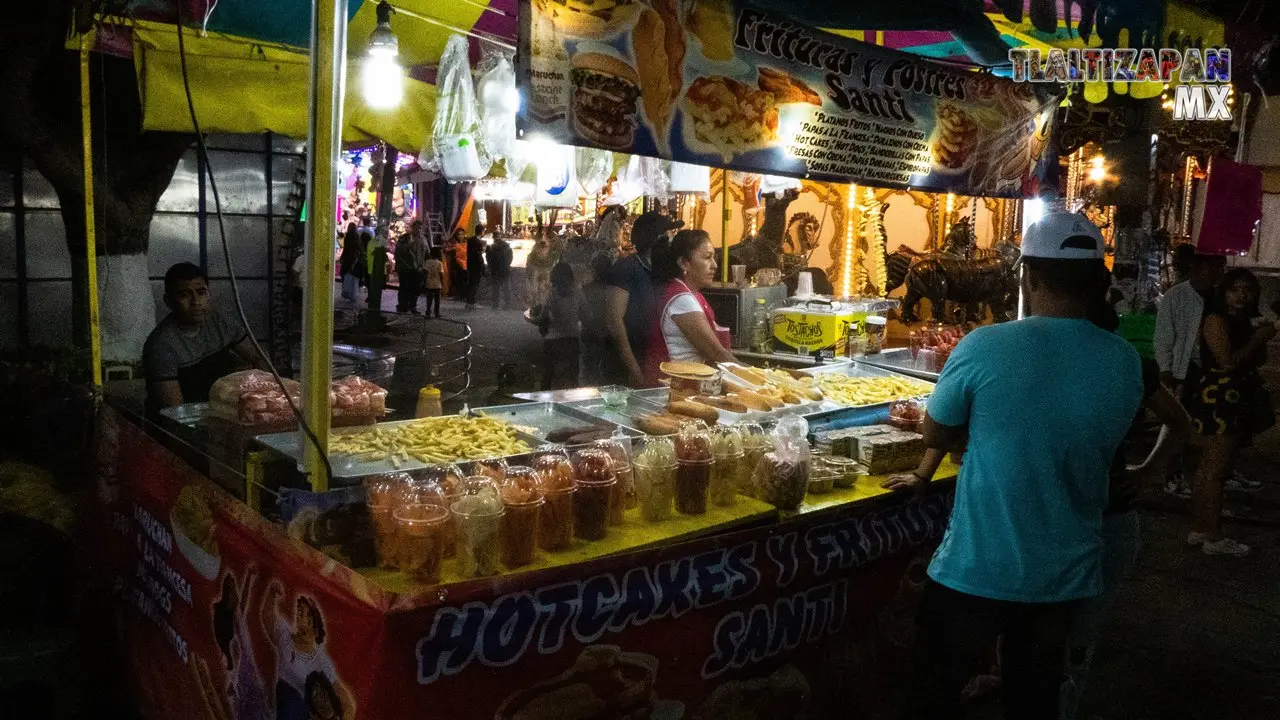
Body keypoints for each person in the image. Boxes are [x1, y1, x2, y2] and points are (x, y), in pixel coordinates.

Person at [889, 213, 1143, 720]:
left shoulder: (986, 344)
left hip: (976, 567)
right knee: (1033, 701)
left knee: (930, 697)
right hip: (1064, 574)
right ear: (1098, 281)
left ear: (1028, 276)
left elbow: (935, 432)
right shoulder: (1124, 360)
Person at [1056, 281, 1193, 720]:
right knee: (1071, 633)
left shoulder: (1127, 365)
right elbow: (1179, 423)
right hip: (1098, 516)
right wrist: (1149, 471)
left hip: (1099, 519)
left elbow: (1180, 423)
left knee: (1070, 634)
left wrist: (1149, 471)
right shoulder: (1125, 363)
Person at [1183, 268, 1274, 557]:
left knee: (1211, 466)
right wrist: (1260, 338)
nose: (1241, 295)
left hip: (1233, 397)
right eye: (1235, 289)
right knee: (1215, 468)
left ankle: (1201, 528)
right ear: (1222, 293)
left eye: (1247, 289)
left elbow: (1252, 359)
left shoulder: (1243, 322)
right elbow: (1228, 362)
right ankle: (1213, 535)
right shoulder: (1216, 320)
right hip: (1221, 398)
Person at [144, 263, 265, 413]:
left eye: (201, 293)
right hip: (182, 418)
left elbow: (259, 358)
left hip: (219, 408)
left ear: (209, 294)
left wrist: (266, 398)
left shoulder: (220, 321)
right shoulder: (161, 346)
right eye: (184, 295)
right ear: (168, 301)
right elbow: (174, 410)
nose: (195, 302)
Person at [643, 229, 736, 384]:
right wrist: (759, 377)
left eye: (713, 257)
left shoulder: (691, 294)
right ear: (684, 263)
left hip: (690, 384)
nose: (714, 265)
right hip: (678, 386)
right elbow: (717, 354)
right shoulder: (682, 300)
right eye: (707, 257)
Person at [607, 212, 683, 386]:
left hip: (655, 361)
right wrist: (633, 369)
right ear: (657, 239)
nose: (672, 239)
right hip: (630, 362)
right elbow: (613, 320)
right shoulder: (628, 267)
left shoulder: (663, 270)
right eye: (669, 234)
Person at [260, 582, 354, 720]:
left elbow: (344, 699)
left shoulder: (321, 662)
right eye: (299, 611)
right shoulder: (285, 635)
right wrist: (271, 593)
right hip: (284, 707)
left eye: (307, 615)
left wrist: (345, 715)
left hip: (307, 714)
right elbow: (267, 617)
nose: (300, 616)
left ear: (315, 630)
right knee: (289, 696)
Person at [1155, 252, 1224, 394]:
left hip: (1216, 367)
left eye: (1220, 267)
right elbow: (1164, 336)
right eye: (1210, 267)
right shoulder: (1175, 295)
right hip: (1185, 369)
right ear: (1195, 267)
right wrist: (1165, 369)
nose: (1215, 272)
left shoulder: (1222, 297)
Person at [538, 263, 582, 390]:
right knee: (572, 377)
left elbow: (543, 317)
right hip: (572, 339)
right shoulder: (578, 294)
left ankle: (544, 396)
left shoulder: (551, 294)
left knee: (547, 375)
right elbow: (587, 315)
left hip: (552, 340)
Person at [579, 253, 614, 386]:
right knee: (606, 373)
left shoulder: (586, 289)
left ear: (593, 270)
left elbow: (580, 314)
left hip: (590, 335)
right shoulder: (614, 290)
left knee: (588, 371)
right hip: (609, 336)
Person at [394, 224, 427, 313]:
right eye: (417, 228)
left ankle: (413, 306)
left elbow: (426, 252)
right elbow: (400, 252)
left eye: (420, 228)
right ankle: (402, 306)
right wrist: (409, 245)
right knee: (404, 287)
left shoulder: (423, 239)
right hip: (406, 268)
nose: (418, 230)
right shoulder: (404, 238)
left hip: (418, 268)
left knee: (415, 288)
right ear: (412, 228)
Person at [526, 235, 555, 316]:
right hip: (542, 272)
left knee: (538, 291)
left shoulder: (535, 251)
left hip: (540, 272)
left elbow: (529, 263)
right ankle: (540, 308)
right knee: (541, 291)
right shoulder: (548, 251)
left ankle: (537, 308)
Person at [486, 230, 515, 310]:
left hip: (494, 271)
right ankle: (507, 305)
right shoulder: (507, 246)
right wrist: (506, 265)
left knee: (495, 288)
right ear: (501, 236)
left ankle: (495, 304)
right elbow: (510, 258)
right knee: (506, 288)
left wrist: (491, 267)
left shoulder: (490, 247)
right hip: (505, 270)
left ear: (493, 237)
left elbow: (488, 259)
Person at [338, 223, 363, 301]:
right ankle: (352, 293)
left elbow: (346, 248)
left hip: (348, 259)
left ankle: (346, 292)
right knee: (353, 277)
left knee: (345, 275)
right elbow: (359, 248)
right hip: (354, 259)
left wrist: (342, 257)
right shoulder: (357, 236)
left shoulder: (348, 236)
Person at [465, 226, 487, 310]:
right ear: (481, 231)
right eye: (483, 231)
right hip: (476, 266)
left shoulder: (470, 240)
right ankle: (471, 303)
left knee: (471, 284)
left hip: (470, 264)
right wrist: (483, 269)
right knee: (474, 285)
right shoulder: (478, 242)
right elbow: (479, 256)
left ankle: (469, 302)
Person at [423, 247, 444, 318]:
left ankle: (428, 312)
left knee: (429, 299)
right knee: (437, 300)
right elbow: (441, 274)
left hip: (429, 283)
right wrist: (442, 283)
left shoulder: (427, 262)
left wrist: (424, 281)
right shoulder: (439, 263)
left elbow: (425, 272)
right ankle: (436, 313)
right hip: (437, 284)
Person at [444, 228, 466, 298]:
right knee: (454, 279)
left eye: (462, 234)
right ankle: (453, 293)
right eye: (459, 234)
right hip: (455, 264)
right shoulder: (453, 241)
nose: (460, 236)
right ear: (456, 235)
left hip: (463, 264)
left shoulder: (465, 241)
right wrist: (453, 248)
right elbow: (446, 249)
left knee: (462, 279)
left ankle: (461, 294)